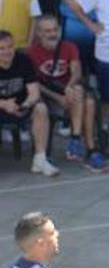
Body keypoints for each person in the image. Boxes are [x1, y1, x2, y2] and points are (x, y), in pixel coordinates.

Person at [28, 17, 107, 172]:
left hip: (68, 91)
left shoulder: (69, 46)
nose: (52, 34)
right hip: (47, 94)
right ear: (38, 33)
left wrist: (68, 87)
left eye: (55, 29)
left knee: (80, 93)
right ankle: (90, 150)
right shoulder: (31, 52)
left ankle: (76, 139)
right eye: (47, 31)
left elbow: (76, 71)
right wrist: (58, 97)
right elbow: (34, 84)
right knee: (88, 103)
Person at [0, 31, 58, 176]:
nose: (7, 51)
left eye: (10, 47)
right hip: (2, 106)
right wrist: (4, 104)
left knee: (41, 108)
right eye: (1, 48)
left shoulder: (23, 60)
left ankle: (40, 159)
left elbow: (34, 92)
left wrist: (23, 106)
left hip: (20, 106)